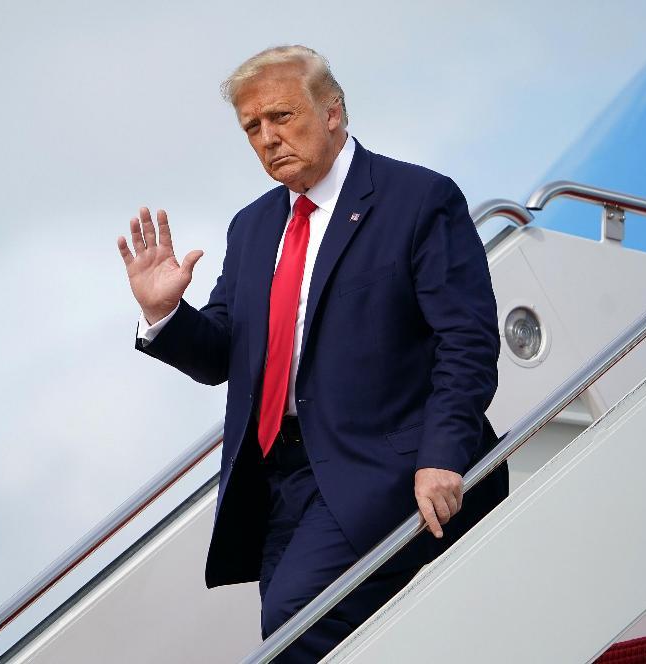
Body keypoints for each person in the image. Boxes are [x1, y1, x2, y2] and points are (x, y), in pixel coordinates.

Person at [117, 45, 508, 662]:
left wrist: (442, 456)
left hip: (385, 468)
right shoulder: (251, 227)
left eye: (281, 116)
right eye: (253, 127)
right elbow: (224, 354)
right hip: (280, 480)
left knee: (297, 623)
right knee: (301, 637)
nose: (268, 138)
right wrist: (164, 313)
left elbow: (467, 341)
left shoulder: (417, 198)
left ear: (333, 112)